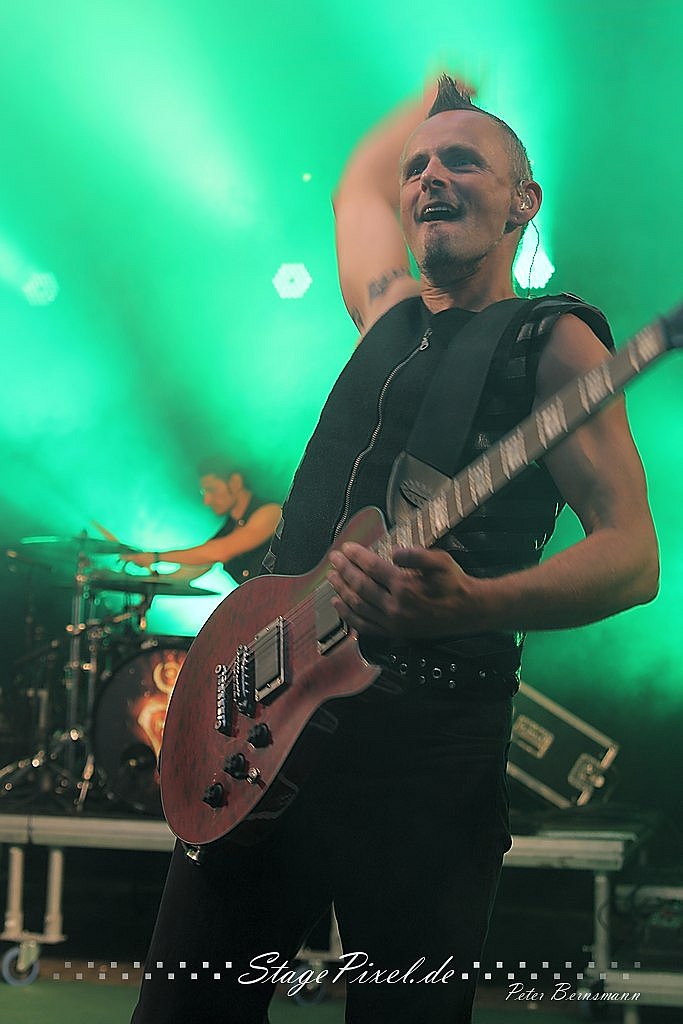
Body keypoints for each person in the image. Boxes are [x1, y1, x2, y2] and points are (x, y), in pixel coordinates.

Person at [131, 77, 658, 1023]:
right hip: (266, 714)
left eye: (461, 162)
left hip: (424, 754)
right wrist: (436, 84)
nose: (428, 178)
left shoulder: (553, 342)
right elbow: (353, 190)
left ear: (523, 202)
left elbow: (632, 556)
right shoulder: (385, 311)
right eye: (417, 167)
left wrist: (476, 603)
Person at [128, 458, 281, 586]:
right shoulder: (229, 529)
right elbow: (194, 568)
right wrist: (145, 580)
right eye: (204, 492)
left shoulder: (271, 512)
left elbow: (219, 551)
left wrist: (155, 557)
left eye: (212, 490)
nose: (206, 500)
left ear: (235, 482)